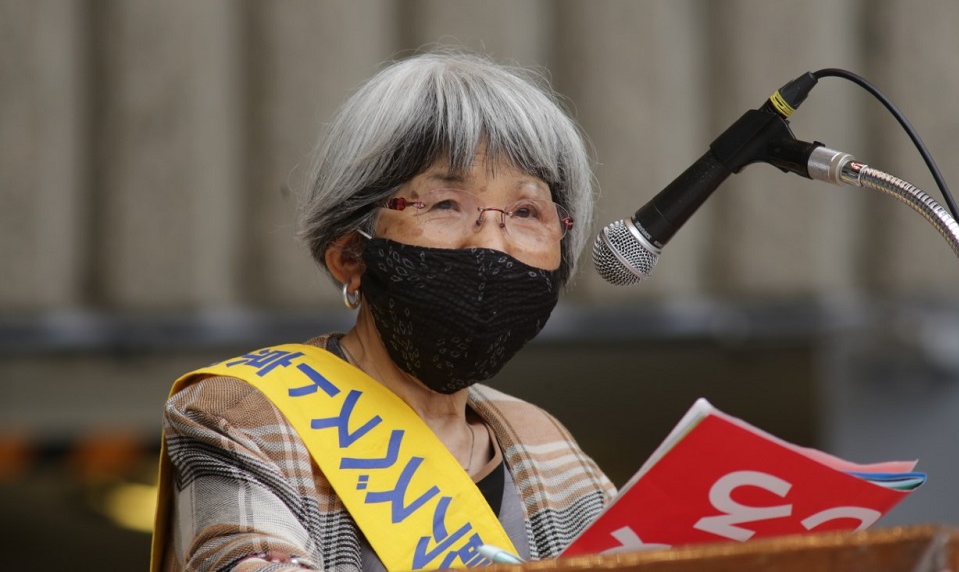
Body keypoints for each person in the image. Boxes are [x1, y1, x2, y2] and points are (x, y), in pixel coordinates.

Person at [151, 51, 616, 571]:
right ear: (352, 255)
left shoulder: (551, 450)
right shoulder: (244, 417)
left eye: (527, 211)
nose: (491, 242)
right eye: (445, 205)